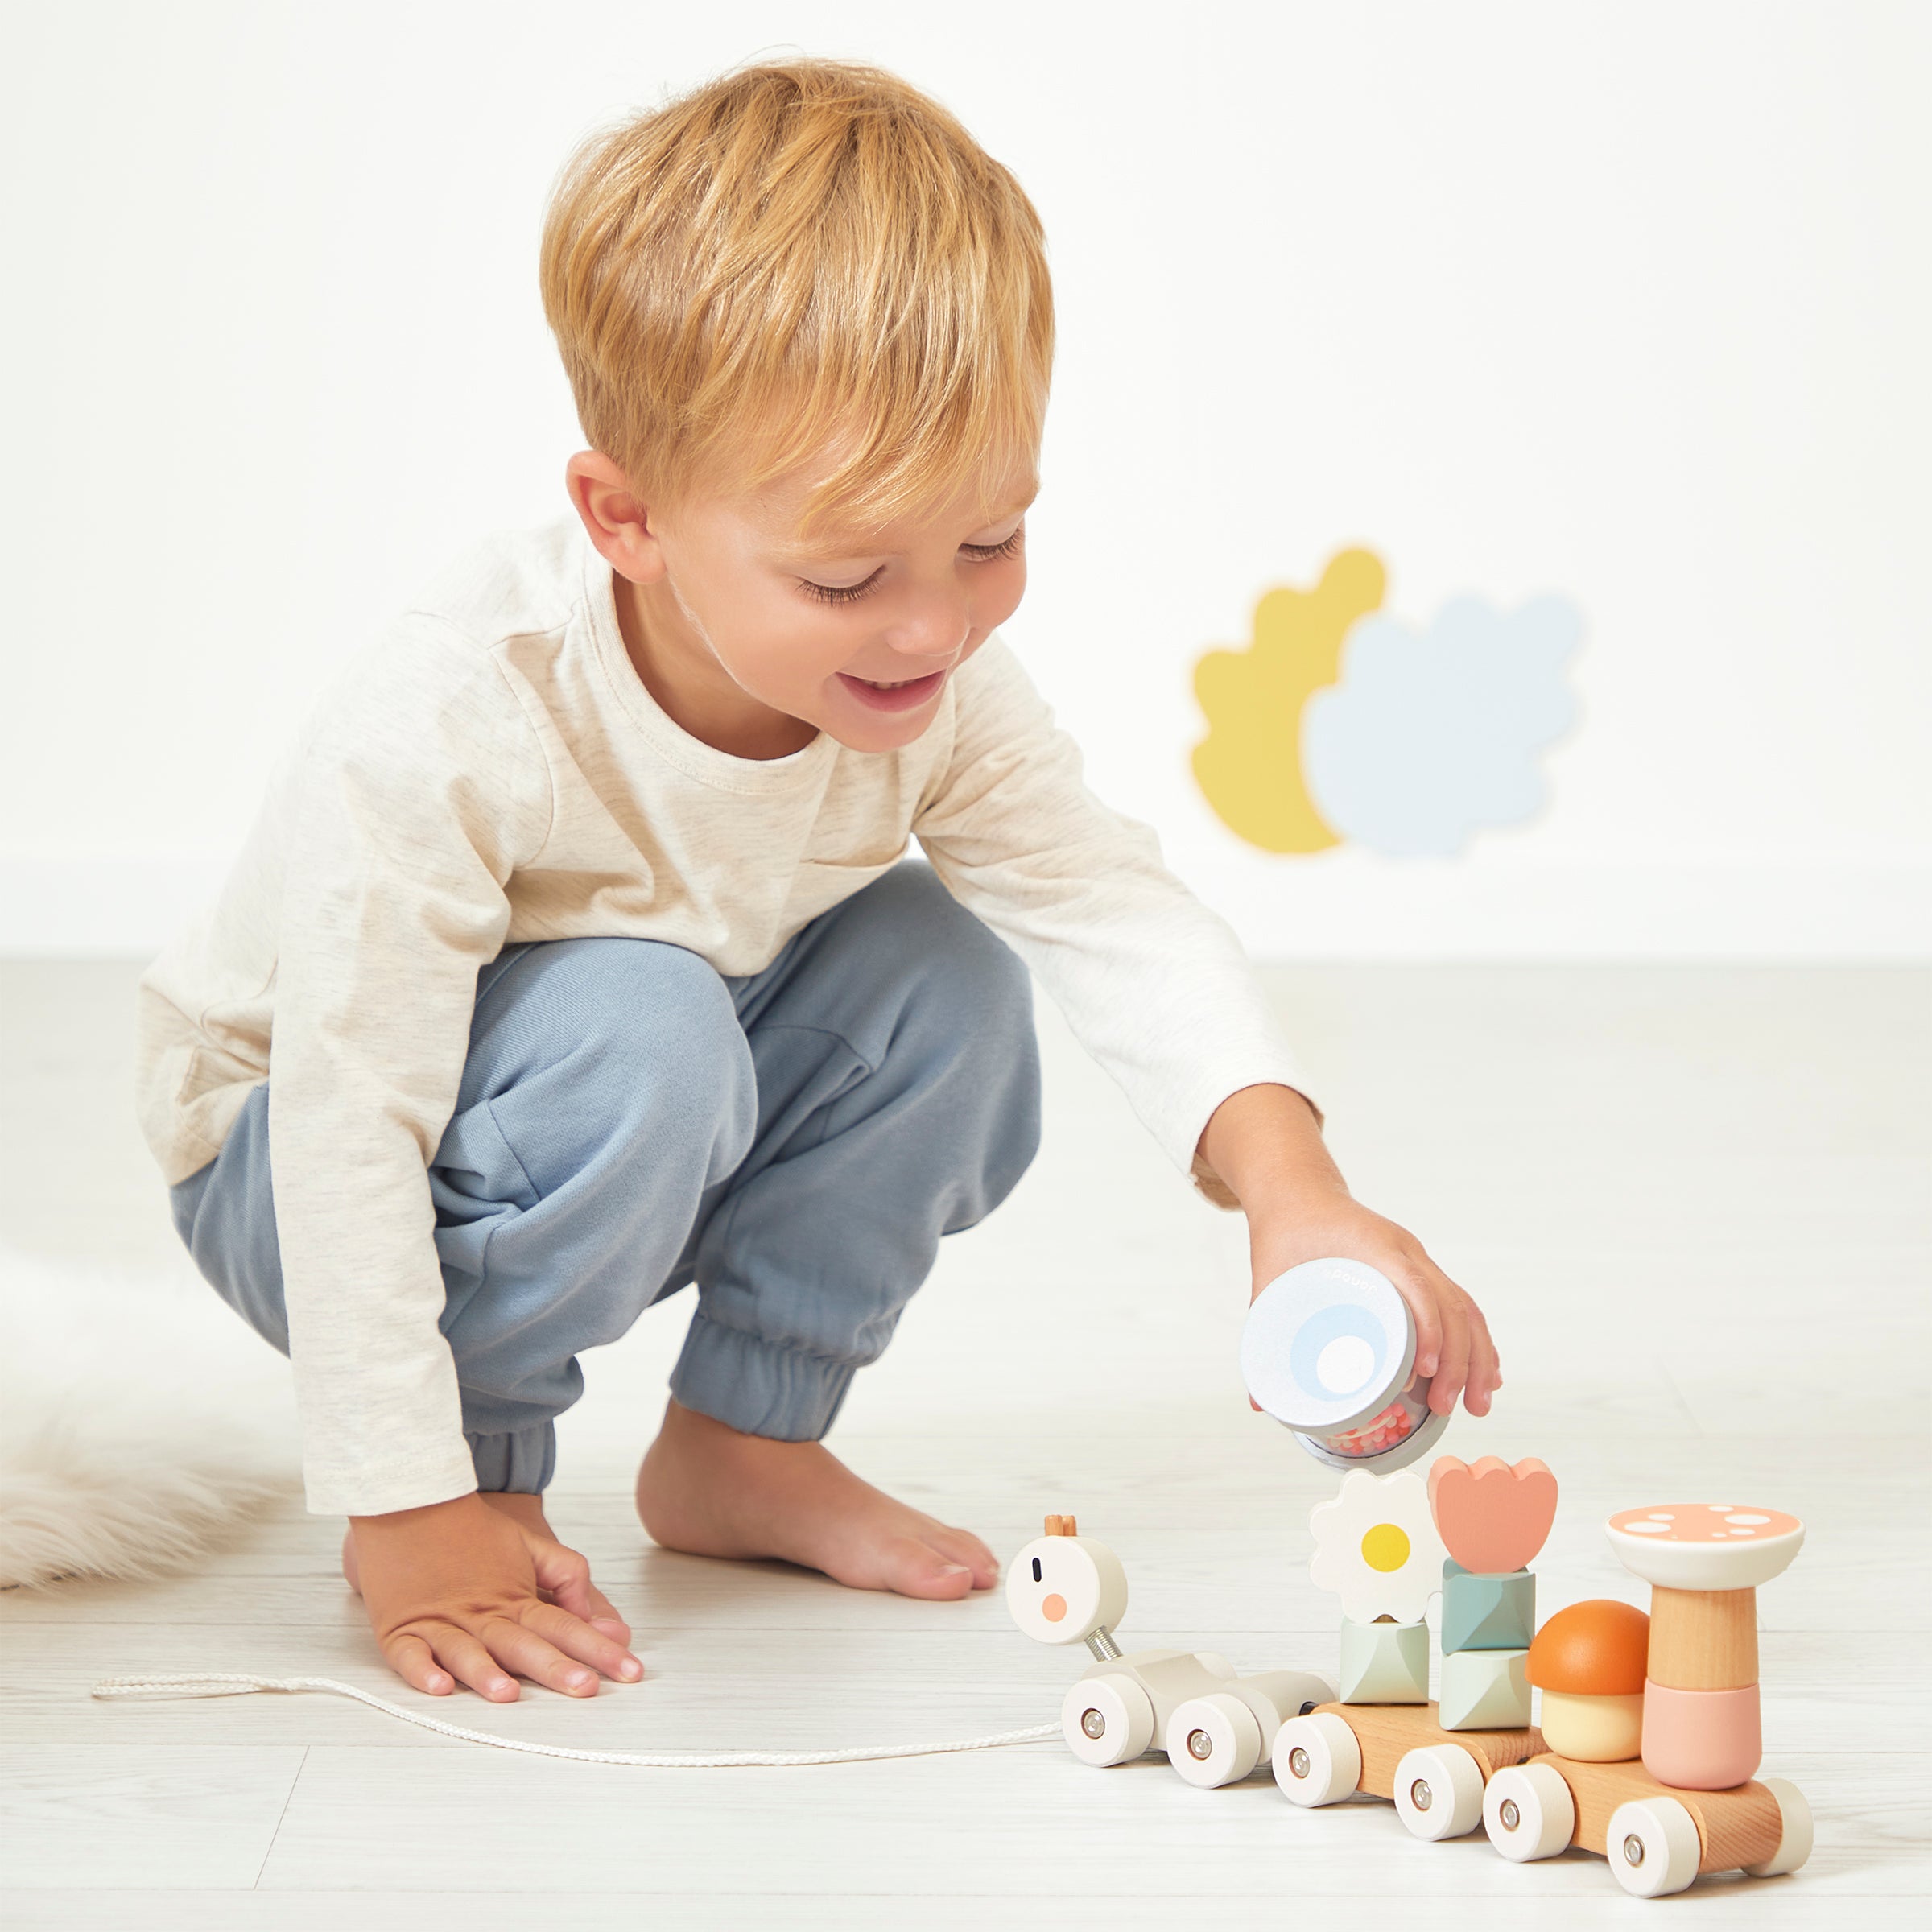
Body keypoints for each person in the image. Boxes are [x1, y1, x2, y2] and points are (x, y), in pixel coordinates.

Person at [137, 57, 1500, 1707]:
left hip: (628, 1094)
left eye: (988, 542)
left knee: (945, 974)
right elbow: (353, 1114)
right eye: (850, 575)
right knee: (643, 1021)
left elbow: (1109, 909)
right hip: (297, 1157)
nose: (932, 627)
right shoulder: (452, 720)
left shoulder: (929, 700)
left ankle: (741, 1449)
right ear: (625, 520)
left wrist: (1295, 1191)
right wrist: (406, 1496)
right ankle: (484, 1465)